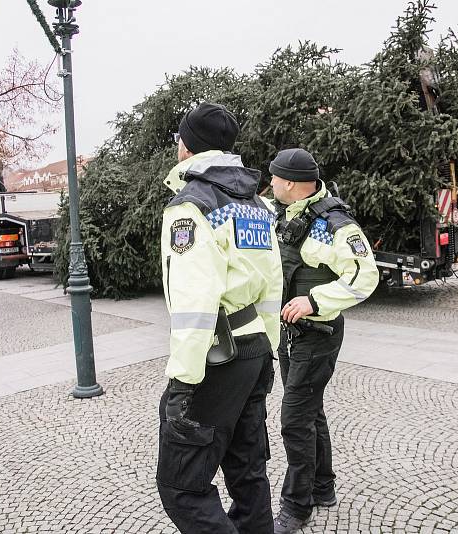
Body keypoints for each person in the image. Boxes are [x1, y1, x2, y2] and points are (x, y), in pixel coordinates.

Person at [156, 102, 283, 534]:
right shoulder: (257, 205)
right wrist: (268, 351)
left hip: (217, 359)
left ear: (186, 147)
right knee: (247, 471)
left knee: (182, 486)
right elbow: (272, 284)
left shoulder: (191, 207)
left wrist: (183, 382)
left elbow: (195, 303)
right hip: (254, 353)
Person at [269, 148, 379, 533]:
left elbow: (366, 277)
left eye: (276, 179)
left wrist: (314, 300)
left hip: (319, 335)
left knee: (295, 419)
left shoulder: (336, 225)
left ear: (293, 184)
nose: (271, 184)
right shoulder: (286, 214)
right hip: (291, 335)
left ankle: (296, 507)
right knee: (310, 411)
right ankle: (323, 486)